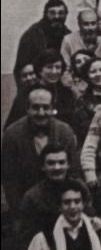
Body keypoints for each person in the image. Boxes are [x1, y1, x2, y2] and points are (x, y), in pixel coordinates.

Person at [2, 86, 78, 226]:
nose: (41, 113)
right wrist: (19, 216)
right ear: (27, 108)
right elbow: (10, 180)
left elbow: (73, 173)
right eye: (36, 107)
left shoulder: (64, 132)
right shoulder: (12, 135)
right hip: (27, 209)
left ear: (52, 108)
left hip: (61, 208)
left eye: (46, 107)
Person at [15, 144, 85, 250]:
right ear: (43, 167)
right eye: (51, 163)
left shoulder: (79, 188)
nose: (57, 167)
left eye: (61, 162)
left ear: (68, 165)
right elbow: (26, 242)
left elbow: (90, 220)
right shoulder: (33, 197)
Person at [13, 0, 71, 85]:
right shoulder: (31, 35)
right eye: (52, 13)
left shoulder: (69, 36)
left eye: (61, 13)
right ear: (45, 14)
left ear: (66, 15)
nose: (57, 17)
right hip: (37, 84)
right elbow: (21, 69)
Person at [72, 57, 101, 146]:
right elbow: (80, 129)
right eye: (93, 72)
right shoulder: (83, 101)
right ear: (87, 75)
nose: (98, 74)